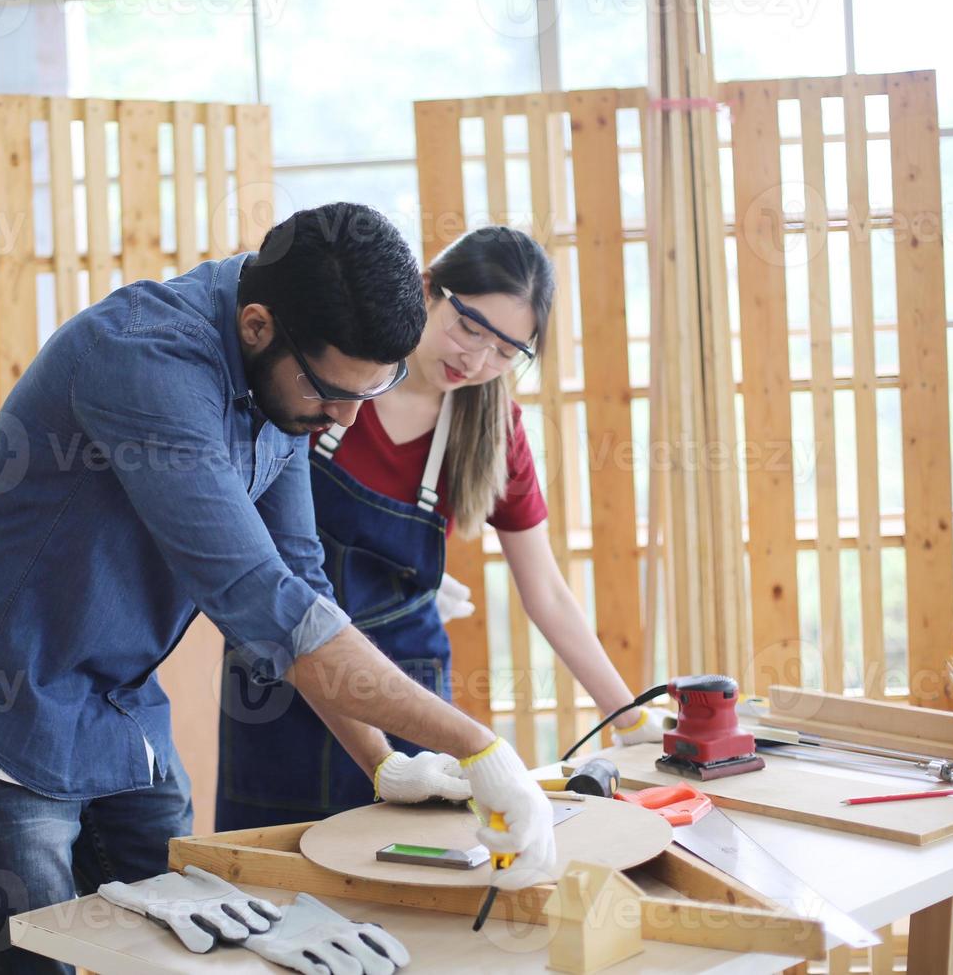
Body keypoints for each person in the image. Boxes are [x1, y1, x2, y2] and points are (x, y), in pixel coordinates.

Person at [0, 204, 556, 974]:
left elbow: (300, 582)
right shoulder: (144, 362)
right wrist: (478, 747)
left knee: (200, 949)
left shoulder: (288, 380)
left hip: (120, 706)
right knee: (38, 960)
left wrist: (383, 763)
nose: (341, 418)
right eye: (333, 393)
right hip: (3, 707)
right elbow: (258, 597)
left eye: (365, 396)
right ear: (259, 327)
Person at [216, 225, 676, 831]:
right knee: (271, 873)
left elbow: (546, 592)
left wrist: (627, 714)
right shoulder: (328, 380)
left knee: (414, 873)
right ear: (428, 290)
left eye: (506, 352)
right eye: (470, 328)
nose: (477, 360)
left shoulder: (493, 432)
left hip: (405, 688)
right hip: (281, 679)